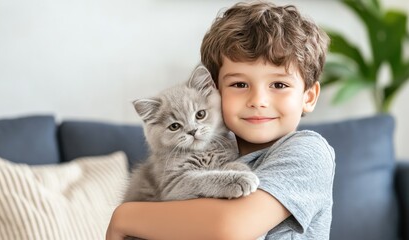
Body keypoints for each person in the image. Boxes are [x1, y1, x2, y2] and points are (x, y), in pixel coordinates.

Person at [106, 1, 335, 239]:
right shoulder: (212, 148)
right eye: (240, 84)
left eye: (279, 84)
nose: (258, 100)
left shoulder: (308, 152)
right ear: (215, 92)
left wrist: (125, 217)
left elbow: (230, 227)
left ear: (308, 97)